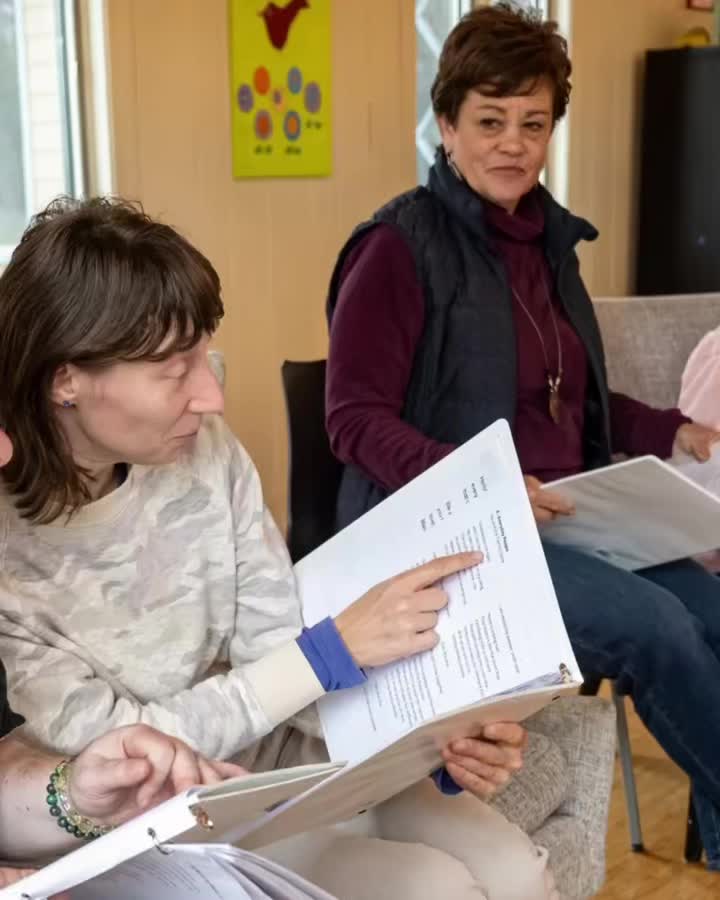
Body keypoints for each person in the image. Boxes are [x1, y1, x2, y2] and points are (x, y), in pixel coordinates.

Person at [0, 199, 557, 900]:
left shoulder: (201, 451)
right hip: (180, 820)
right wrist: (325, 654)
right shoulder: (12, 559)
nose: (212, 396)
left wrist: (434, 735)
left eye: (206, 352)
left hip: (300, 767)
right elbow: (124, 756)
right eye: (175, 370)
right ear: (65, 380)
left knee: (520, 874)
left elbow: (276, 644)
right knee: (434, 888)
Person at [325, 1, 720, 872]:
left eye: (532, 123)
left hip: (566, 518)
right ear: (446, 123)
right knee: (656, 627)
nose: (512, 143)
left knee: (713, 610)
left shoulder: (549, 244)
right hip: (458, 541)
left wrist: (673, 429)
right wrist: (491, 487)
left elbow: (566, 393)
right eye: (490, 121)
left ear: (551, 130)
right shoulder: (396, 247)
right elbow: (351, 420)